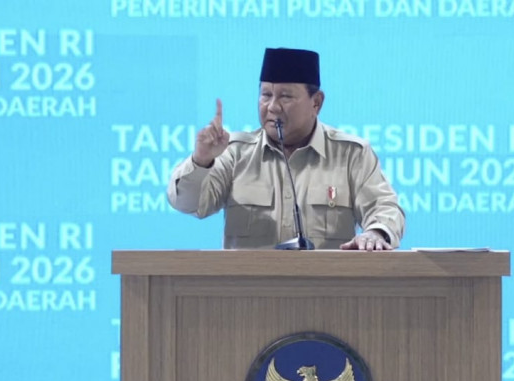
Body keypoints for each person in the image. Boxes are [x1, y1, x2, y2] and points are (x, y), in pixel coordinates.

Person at [167, 47, 405, 250]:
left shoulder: (351, 154)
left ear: (316, 103)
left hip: (326, 287)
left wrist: (376, 233)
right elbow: (189, 204)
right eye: (266, 95)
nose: (272, 107)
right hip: (248, 288)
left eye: (285, 97)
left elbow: (385, 208)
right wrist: (202, 160)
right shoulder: (235, 152)